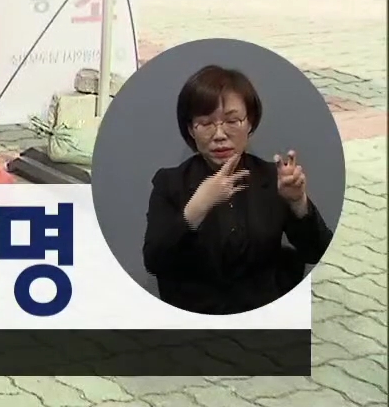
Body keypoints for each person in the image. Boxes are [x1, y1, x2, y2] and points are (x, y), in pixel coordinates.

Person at [141, 64, 335, 315]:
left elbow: (318, 251)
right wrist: (196, 209)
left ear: (250, 123)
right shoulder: (170, 183)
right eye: (206, 123)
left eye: (232, 121)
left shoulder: (273, 178)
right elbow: (154, 261)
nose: (219, 134)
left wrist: (298, 203)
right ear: (190, 129)